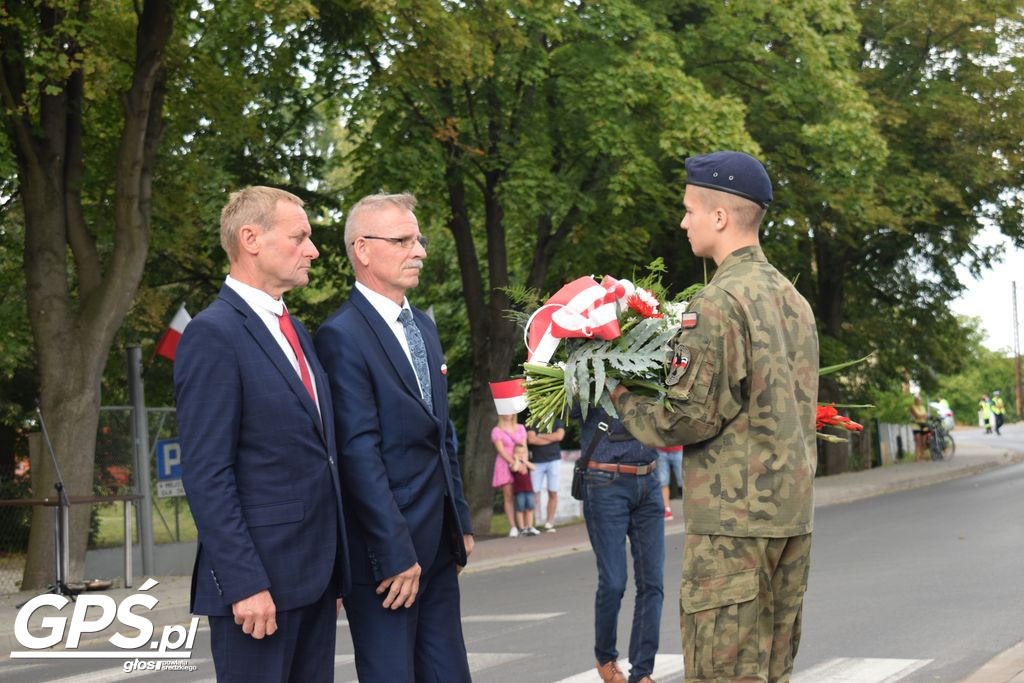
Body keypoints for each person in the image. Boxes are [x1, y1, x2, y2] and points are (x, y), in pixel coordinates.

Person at [610, 151, 818, 682]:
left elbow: (686, 419)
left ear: (720, 217)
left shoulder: (720, 301)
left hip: (733, 529)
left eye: (689, 210)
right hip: (789, 519)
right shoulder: (794, 300)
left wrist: (617, 390)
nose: (683, 222)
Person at [174, 186, 349, 682]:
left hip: (314, 578)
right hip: (259, 589)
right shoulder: (214, 334)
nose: (312, 250)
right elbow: (208, 473)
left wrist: (333, 564)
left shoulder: (295, 330)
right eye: (300, 237)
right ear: (250, 238)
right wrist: (244, 582)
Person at [314, 192, 474, 681]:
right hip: (387, 560)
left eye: (419, 239)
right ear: (362, 250)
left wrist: (460, 520)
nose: (420, 251)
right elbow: (358, 452)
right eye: (403, 240)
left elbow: (440, 433)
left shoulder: (423, 325)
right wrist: (394, 552)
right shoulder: (340, 336)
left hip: (439, 545)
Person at [573, 405, 664, 683]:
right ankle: (605, 658)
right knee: (614, 582)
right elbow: (569, 409)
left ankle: (642, 672)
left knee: (652, 583)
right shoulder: (584, 364)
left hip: (648, 480)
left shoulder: (656, 365)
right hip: (604, 482)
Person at [491, 407, 529, 537]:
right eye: (505, 411)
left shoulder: (520, 428)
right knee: (508, 496)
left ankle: (525, 525)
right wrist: (513, 463)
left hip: (520, 463)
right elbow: (501, 451)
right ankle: (513, 526)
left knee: (522, 493)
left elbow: (525, 447)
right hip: (505, 464)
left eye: (510, 411)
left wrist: (523, 463)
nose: (508, 414)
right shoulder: (497, 430)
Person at [528, 418, 566, 532]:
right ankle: (531, 524)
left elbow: (559, 437)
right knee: (534, 493)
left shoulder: (558, 421)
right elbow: (531, 439)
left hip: (553, 461)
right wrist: (551, 437)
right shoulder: (533, 421)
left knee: (552, 491)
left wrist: (540, 436)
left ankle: (549, 522)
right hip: (536, 462)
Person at [512, 443, 540, 536]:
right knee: (520, 508)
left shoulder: (527, 463)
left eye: (523, 452)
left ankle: (529, 526)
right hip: (519, 491)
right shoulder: (513, 463)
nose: (521, 454)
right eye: (518, 453)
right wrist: (517, 460)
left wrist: (525, 461)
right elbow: (515, 469)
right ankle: (521, 528)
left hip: (529, 489)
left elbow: (534, 467)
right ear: (514, 454)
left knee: (530, 507)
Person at [655, 445, 683, 520]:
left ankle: (691, 507)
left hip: (678, 449)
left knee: (683, 479)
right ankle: (666, 509)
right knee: (663, 481)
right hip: (661, 451)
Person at [910, 395, 930, 462]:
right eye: (917, 400)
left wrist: (922, 416)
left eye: (919, 400)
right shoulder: (913, 407)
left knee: (923, 442)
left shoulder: (923, 407)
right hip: (916, 425)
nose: (918, 401)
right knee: (918, 441)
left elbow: (926, 416)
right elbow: (917, 416)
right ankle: (917, 457)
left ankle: (922, 456)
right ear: (915, 401)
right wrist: (922, 415)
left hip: (923, 425)